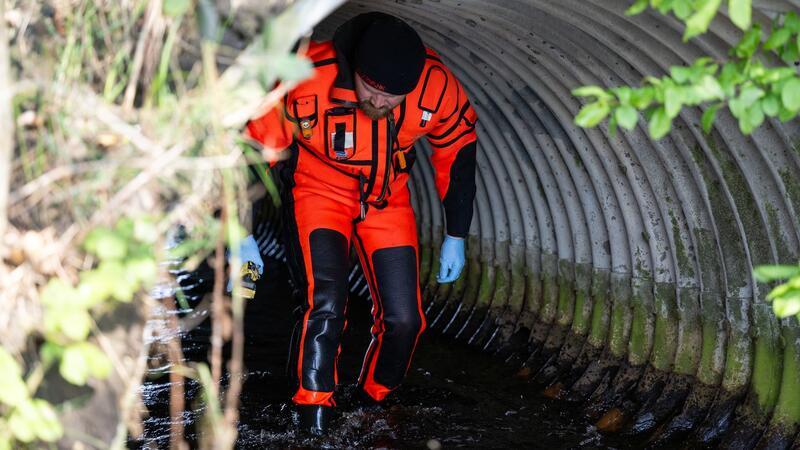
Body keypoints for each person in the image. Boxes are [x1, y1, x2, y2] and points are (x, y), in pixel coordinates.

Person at [243, 11, 479, 435]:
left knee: (406, 319)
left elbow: (458, 152)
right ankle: (311, 414)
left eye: (395, 97)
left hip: (387, 198)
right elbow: (255, 153)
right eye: (373, 90)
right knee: (325, 305)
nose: (382, 103)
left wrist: (456, 233)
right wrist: (240, 233)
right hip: (319, 190)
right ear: (356, 70)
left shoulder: (435, 86)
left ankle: (374, 406)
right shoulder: (307, 76)